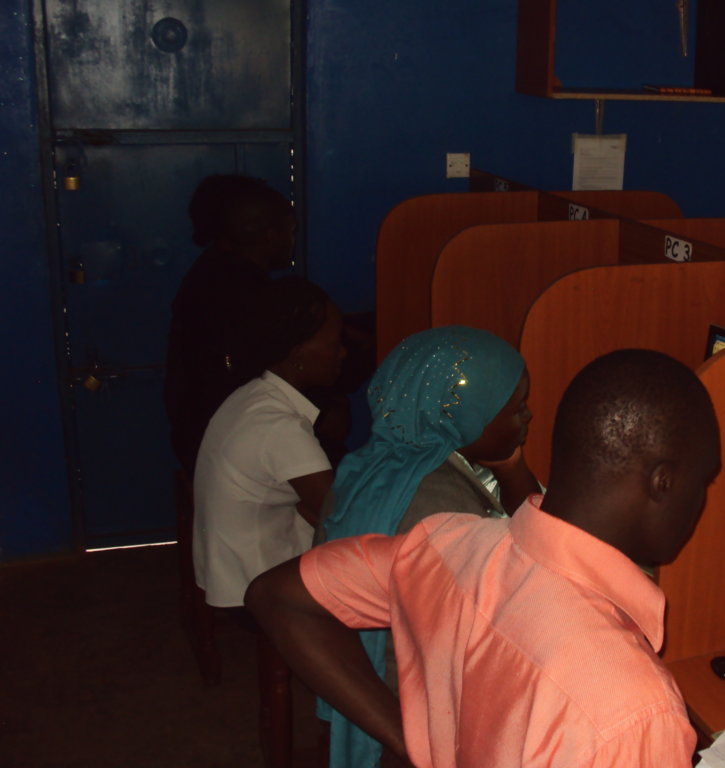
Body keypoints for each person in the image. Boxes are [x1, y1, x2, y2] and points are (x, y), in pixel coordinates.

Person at [246, 348, 722, 767]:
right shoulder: (636, 710)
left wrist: (413, 742)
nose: (702, 502)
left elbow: (276, 594)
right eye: (703, 482)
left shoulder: (443, 544)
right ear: (663, 482)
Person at [318, 325, 540, 767]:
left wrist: (512, 467)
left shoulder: (380, 462)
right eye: (515, 410)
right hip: (410, 697)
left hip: (380, 672)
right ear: (467, 417)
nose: (528, 417)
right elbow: (535, 574)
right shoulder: (436, 505)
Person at [193, 276, 346, 608]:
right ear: (298, 353)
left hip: (230, 569)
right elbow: (342, 517)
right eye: (335, 344)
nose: (343, 353)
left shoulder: (252, 395)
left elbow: (314, 505)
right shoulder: (279, 426)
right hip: (252, 585)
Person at [165, 174, 298, 474]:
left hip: (204, 430)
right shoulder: (237, 287)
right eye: (289, 230)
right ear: (267, 235)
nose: (292, 240)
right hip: (221, 435)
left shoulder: (215, 273)